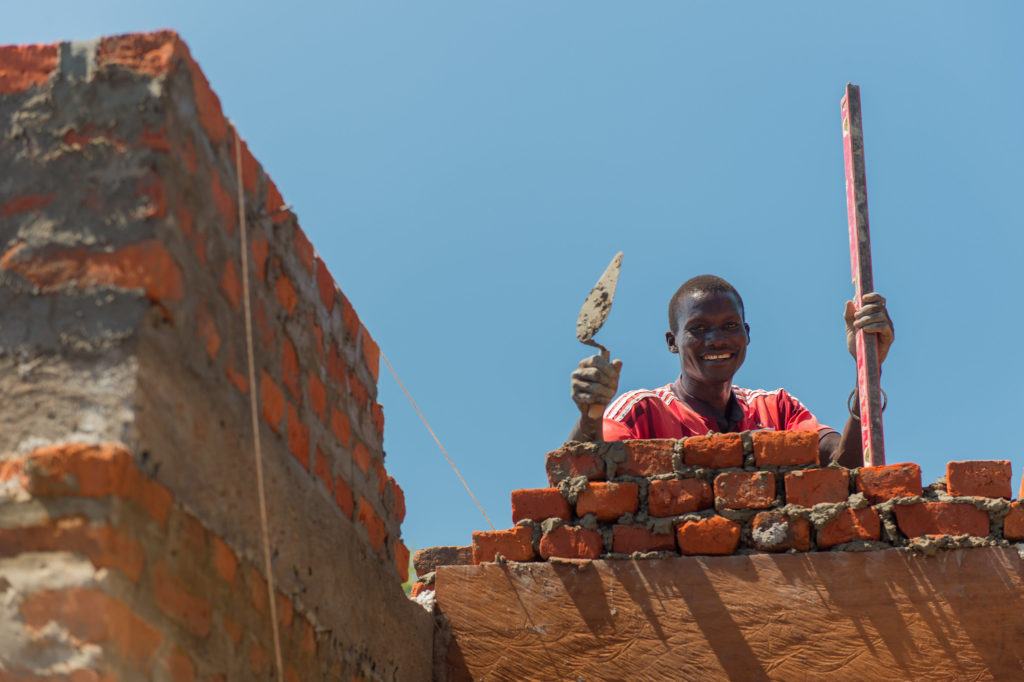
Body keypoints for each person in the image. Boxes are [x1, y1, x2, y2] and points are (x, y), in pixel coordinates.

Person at [568, 275, 895, 467]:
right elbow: (581, 473)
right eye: (698, 328)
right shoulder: (642, 409)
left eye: (729, 325)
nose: (717, 339)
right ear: (673, 342)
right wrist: (589, 418)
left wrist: (869, 369)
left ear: (747, 333)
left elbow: (846, 465)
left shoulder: (776, 408)